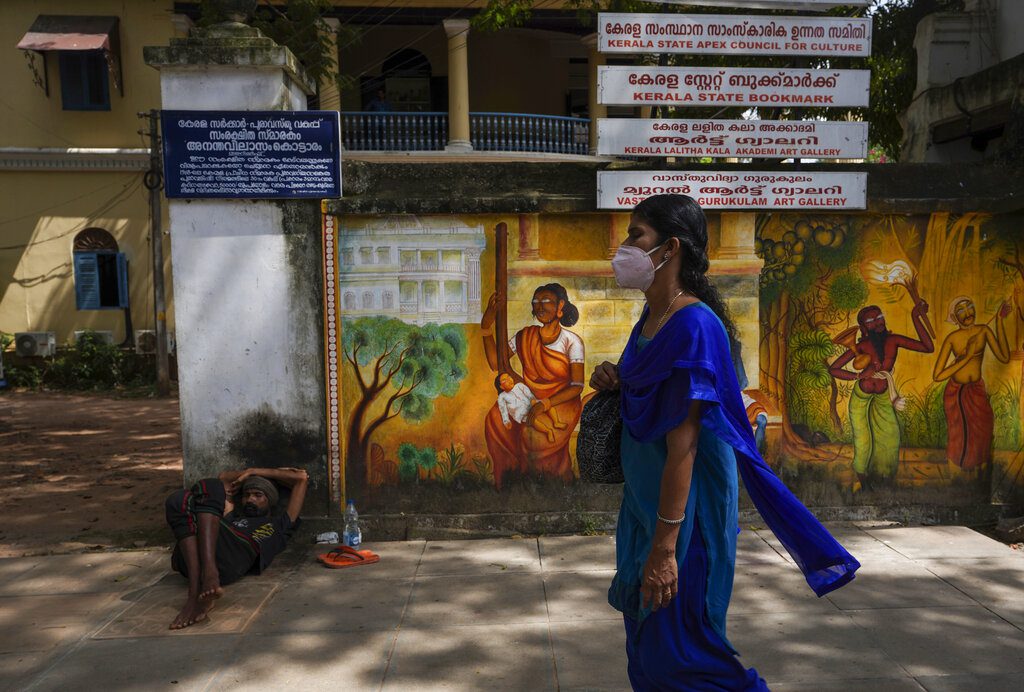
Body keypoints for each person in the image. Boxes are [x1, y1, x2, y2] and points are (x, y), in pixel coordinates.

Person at [589, 194, 859, 690]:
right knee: (647, 656)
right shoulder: (653, 320)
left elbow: (684, 448)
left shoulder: (695, 327)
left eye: (636, 236)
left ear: (669, 249)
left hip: (685, 523)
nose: (623, 248)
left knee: (684, 659)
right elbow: (652, 389)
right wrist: (617, 377)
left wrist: (665, 550)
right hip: (644, 511)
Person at [163, 466, 309, 630]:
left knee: (209, 487)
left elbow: (301, 478)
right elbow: (224, 478)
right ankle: (200, 584)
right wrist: (247, 473)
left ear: (270, 500)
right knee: (178, 499)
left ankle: (205, 579)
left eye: (258, 495)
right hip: (197, 558)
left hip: (234, 557)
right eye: (246, 495)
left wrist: (254, 472)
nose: (250, 499)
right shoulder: (230, 516)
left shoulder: (280, 524)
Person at [482, 283, 585, 488]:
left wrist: (545, 404)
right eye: (535, 302)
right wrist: (486, 326)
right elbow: (496, 363)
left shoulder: (571, 341)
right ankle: (511, 483)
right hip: (529, 398)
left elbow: (576, 385)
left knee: (535, 439)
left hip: (560, 403)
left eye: (545, 301)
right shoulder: (525, 336)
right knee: (494, 419)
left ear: (560, 306)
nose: (539, 306)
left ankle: (552, 483)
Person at [829, 303, 933, 490]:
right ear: (863, 328)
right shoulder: (861, 346)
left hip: (884, 396)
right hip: (862, 397)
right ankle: (865, 482)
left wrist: (915, 317)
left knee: (890, 436)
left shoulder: (893, 340)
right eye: (871, 321)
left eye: (879, 317)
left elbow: (927, 347)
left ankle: (884, 478)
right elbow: (833, 369)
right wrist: (859, 376)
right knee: (863, 440)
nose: (877, 323)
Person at [933, 296, 1011, 470]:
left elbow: (1004, 357)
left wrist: (999, 321)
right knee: (960, 433)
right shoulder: (953, 338)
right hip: (957, 393)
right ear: (954, 317)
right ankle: (959, 472)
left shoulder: (983, 331)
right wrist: (967, 356)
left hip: (976, 389)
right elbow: (938, 375)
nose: (968, 313)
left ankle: (977, 471)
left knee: (985, 425)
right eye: (961, 310)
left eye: (969, 307)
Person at [495, 372, 566, 443]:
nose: (509, 380)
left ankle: (556, 422)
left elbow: (529, 395)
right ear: (501, 386)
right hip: (521, 413)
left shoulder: (520, 386)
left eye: (509, 377)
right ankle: (548, 431)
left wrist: (533, 400)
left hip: (530, 404)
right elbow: (503, 410)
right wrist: (506, 421)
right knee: (532, 420)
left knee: (546, 403)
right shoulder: (502, 397)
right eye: (505, 380)